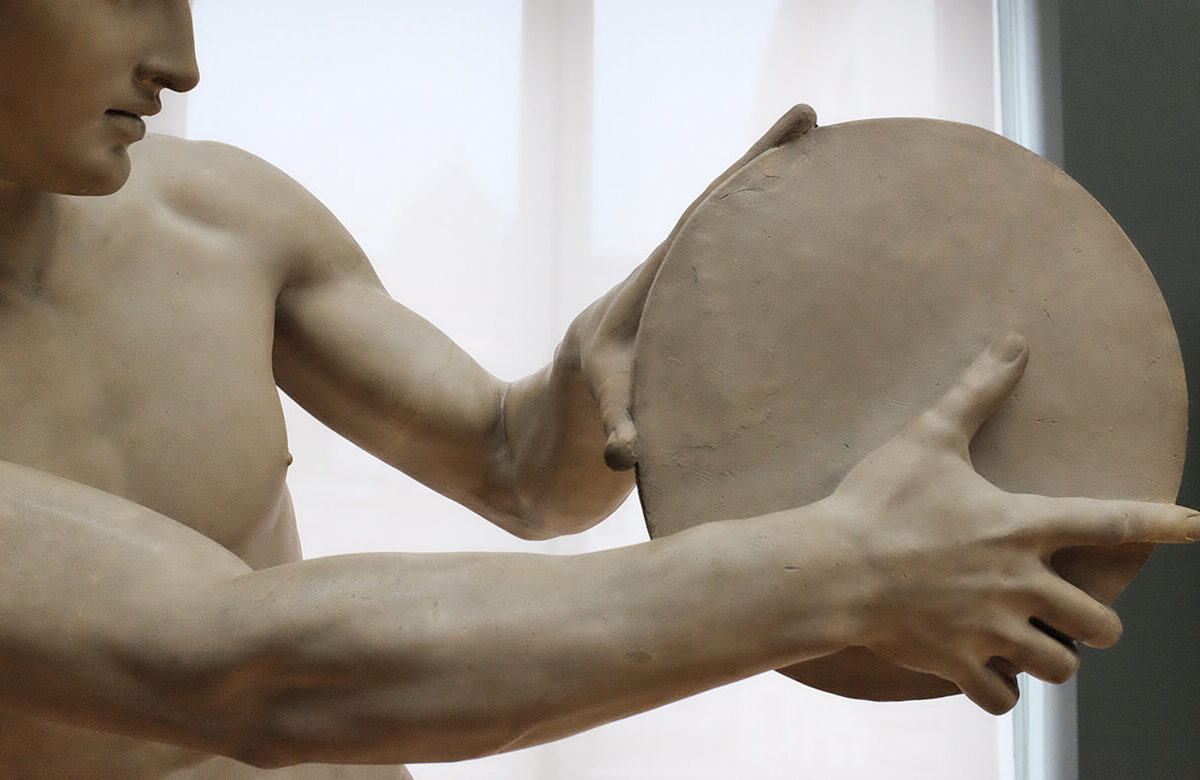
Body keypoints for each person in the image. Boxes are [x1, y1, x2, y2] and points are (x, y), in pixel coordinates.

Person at [0, 2, 1195, 778]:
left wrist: (602, 360)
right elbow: (244, 673)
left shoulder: (229, 218)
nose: (181, 59)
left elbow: (515, 469)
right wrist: (848, 570)